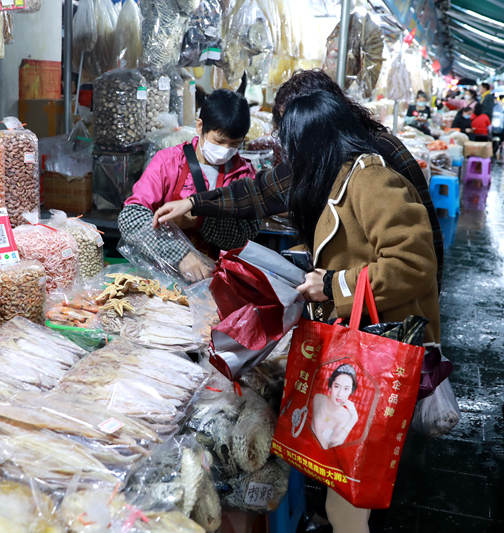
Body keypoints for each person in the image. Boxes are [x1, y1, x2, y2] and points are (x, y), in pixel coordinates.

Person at [279, 89, 440, 533]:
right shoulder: (340, 179)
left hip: (380, 350)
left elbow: (413, 264)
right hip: (365, 342)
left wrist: (332, 284)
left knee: (350, 496)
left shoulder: (369, 180)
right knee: (350, 483)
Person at [152, 70, 445, 289]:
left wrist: (332, 285)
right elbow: (261, 191)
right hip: (356, 301)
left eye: (292, 128)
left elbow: (413, 263)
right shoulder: (325, 156)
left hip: (384, 317)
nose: (288, 142)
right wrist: (193, 202)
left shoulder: (373, 170)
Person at [118, 88, 259, 282]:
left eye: (234, 144)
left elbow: (246, 236)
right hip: (161, 276)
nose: (225, 150)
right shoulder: (168, 161)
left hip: (216, 280)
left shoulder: (244, 174)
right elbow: (130, 218)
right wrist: (180, 254)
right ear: (200, 126)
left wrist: (199, 220)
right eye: (219, 141)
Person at [312, 364, 359, 450]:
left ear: (351, 392)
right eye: (336, 386)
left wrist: (354, 419)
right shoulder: (318, 399)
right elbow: (317, 433)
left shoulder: (346, 416)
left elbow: (334, 443)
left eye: (346, 389)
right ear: (330, 387)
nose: (340, 394)